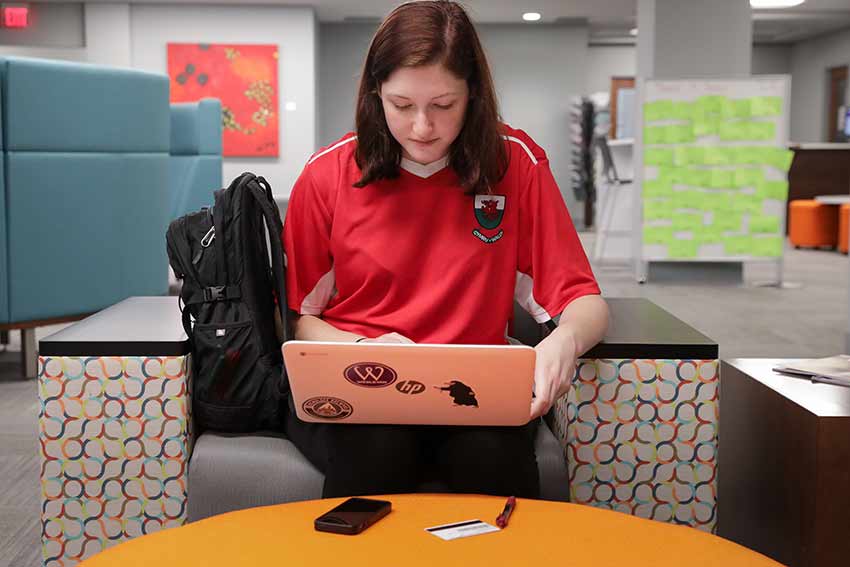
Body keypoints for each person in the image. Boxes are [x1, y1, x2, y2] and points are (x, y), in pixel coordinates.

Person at [282, 0, 609, 499]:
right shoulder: (325, 174)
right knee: (379, 453)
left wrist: (563, 342)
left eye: (443, 105)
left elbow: (583, 300)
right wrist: (366, 348)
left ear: (472, 96)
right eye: (401, 105)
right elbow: (301, 319)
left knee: (491, 462)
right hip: (362, 384)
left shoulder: (516, 163)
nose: (421, 127)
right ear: (376, 95)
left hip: (472, 394)